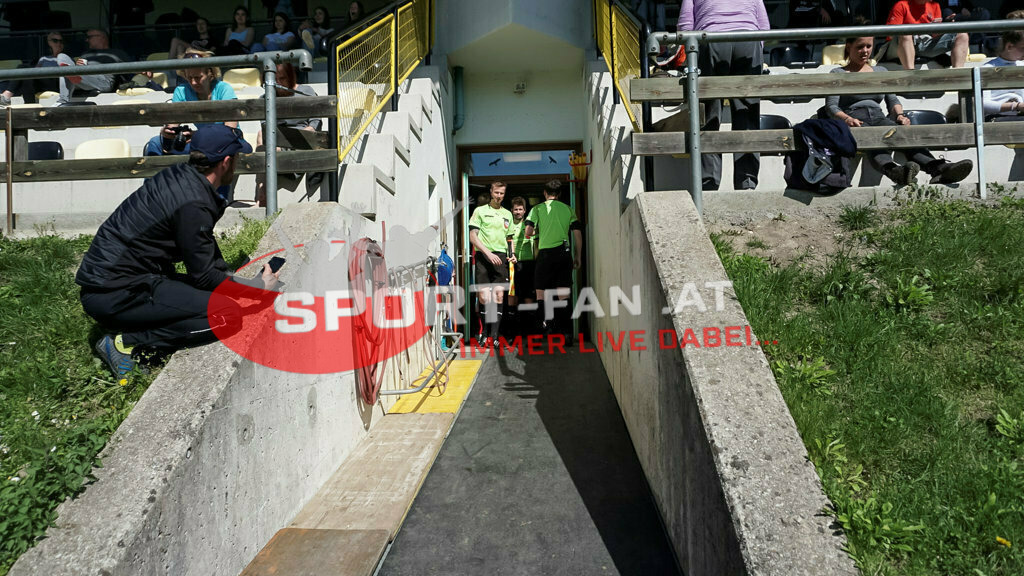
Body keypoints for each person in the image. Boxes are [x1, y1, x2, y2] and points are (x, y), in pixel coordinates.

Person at [76, 125, 278, 377]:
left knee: (219, 297)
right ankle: (127, 342)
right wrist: (256, 289)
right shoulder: (193, 202)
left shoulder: (181, 177)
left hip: (116, 282)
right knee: (228, 315)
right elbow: (204, 276)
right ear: (226, 161)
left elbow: (202, 259)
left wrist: (238, 284)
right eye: (236, 158)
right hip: (115, 294)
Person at [825, 34, 974, 186]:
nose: (865, 51)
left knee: (904, 134)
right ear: (849, 47)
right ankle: (895, 171)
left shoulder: (880, 71)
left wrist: (900, 115)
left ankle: (939, 168)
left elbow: (892, 100)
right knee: (873, 138)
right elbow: (831, 106)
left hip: (879, 117)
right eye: (859, 47)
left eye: (868, 46)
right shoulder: (838, 73)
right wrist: (847, 119)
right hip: (854, 118)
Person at [676, 0, 769, 191]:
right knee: (747, 113)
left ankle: (708, 183)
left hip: (710, 39)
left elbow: (685, 26)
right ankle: (747, 182)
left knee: (709, 114)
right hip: (748, 39)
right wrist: (756, 49)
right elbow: (763, 24)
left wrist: (692, 57)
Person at [144, 49, 238, 156]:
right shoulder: (181, 91)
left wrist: (197, 135)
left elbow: (230, 130)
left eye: (198, 78)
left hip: (227, 142)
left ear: (210, 73)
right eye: (189, 78)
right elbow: (172, 125)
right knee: (155, 143)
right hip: (200, 142)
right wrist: (167, 133)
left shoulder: (224, 89)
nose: (193, 82)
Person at [254, 62, 321, 206]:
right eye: (273, 80)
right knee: (261, 135)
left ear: (291, 77)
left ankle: (263, 194)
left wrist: (310, 129)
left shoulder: (306, 91)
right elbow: (265, 129)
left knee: (303, 133)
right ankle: (262, 188)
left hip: (301, 137)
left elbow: (316, 120)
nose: (278, 83)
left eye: (282, 79)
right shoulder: (264, 98)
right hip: (278, 138)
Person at [524, 180, 582, 341]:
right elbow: (577, 234)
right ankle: (567, 333)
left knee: (540, 293)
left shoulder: (537, 209)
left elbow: (528, 232)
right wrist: (578, 256)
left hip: (545, 254)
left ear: (544, 193)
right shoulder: (568, 209)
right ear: (560, 194)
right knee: (563, 294)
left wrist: (537, 230)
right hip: (564, 253)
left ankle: (540, 332)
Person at [468, 181, 514, 345]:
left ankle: (494, 336)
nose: (499, 196)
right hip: (483, 256)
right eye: (496, 193)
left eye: (502, 193)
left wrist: (512, 254)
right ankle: (485, 332)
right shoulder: (480, 211)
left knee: (499, 296)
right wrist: (487, 253)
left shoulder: (507, 214)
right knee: (484, 297)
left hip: (501, 257)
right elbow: (472, 236)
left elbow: (510, 238)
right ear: (491, 192)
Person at [884, 0, 969, 69]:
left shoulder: (934, 5)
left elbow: (935, 35)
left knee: (962, 35)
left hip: (924, 44)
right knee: (905, 33)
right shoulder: (901, 4)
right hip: (900, 46)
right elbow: (890, 35)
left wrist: (945, 25)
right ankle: (910, 75)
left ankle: (958, 74)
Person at [57, 29, 132, 105]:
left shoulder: (117, 53)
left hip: (103, 81)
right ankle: (71, 77)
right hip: (83, 78)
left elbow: (131, 68)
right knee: (62, 56)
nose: (86, 40)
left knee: (68, 72)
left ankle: (63, 100)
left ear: (102, 37)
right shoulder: (85, 54)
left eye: (89, 37)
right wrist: (78, 66)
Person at [0, 31, 71, 106]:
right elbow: (36, 72)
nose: (58, 44)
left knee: (23, 68)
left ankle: (7, 95)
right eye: (55, 41)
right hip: (43, 82)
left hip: (57, 82)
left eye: (61, 41)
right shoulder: (44, 58)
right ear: (49, 43)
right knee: (26, 76)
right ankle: (30, 105)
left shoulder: (66, 58)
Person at [981, 10, 1024, 119]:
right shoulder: (988, 68)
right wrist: (1016, 106)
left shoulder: (1021, 65)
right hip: (999, 118)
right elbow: (983, 104)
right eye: (1023, 48)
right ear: (1009, 46)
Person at [507, 196, 537, 336]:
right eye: (515, 209)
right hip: (514, 264)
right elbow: (509, 241)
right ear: (512, 211)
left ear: (525, 210)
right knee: (513, 297)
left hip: (530, 264)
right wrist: (511, 255)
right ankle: (513, 334)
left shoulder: (530, 224)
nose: (518, 212)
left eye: (520, 209)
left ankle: (531, 332)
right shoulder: (509, 225)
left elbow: (536, 242)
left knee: (529, 298)